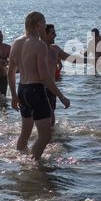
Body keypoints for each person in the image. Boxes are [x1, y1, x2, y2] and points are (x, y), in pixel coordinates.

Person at [8, 12, 70, 161]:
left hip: (22, 89)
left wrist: (14, 96)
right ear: (37, 25)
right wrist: (61, 96)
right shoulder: (39, 45)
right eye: (44, 23)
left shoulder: (16, 43)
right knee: (45, 136)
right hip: (35, 90)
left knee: (25, 133)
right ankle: (32, 165)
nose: (45, 26)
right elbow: (44, 76)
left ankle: (21, 161)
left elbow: (10, 72)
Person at [42, 24, 90, 126]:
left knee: (51, 120)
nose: (55, 35)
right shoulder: (37, 49)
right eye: (53, 33)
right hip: (39, 87)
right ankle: (45, 139)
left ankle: (49, 139)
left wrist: (90, 61)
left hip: (52, 88)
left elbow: (72, 59)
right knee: (49, 117)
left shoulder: (55, 49)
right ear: (44, 34)